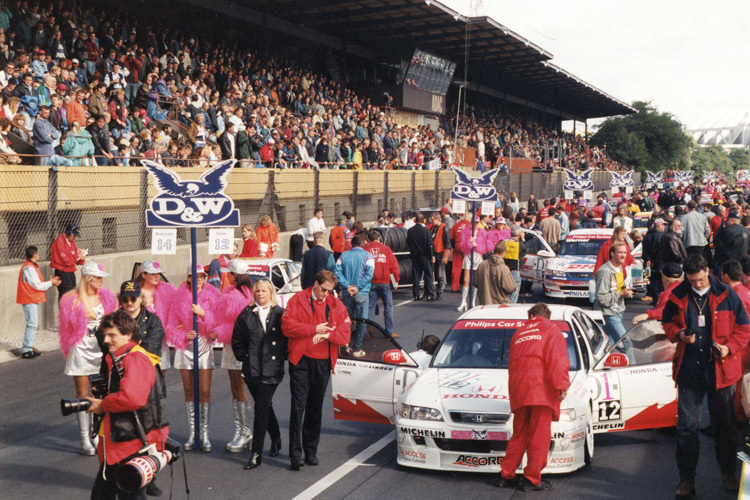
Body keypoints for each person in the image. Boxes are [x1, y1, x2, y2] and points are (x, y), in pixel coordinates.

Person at [662, 254, 750, 498]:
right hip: (690, 371)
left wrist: (728, 347)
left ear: (708, 271)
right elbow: (667, 322)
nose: (698, 284)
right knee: (686, 428)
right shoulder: (678, 294)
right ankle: (686, 479)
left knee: (724, 427)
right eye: (692, 281)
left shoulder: (728, 295)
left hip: (721, 372)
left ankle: (728, 473)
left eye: (701, 279)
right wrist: (679, 334)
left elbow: (744, 330)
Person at [87, 310, 169, 500]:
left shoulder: (134, 358)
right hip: (122, 441)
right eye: (104, 334)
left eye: (112, 335)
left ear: (128, 335)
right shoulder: (122, 357)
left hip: (130, 444)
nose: (106, 339)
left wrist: (103, 404)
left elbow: (133, 398)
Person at [282, 270, 351, 470]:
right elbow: (287, 326)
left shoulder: (336, 305)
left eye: (330, 291)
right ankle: (295, 455)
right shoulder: (297, 299)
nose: (325, 294)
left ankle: (311, 451)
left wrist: (327, 336)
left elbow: (345, 335)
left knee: (315, 408)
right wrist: (314, 329)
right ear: (315, 283)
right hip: (301, 359)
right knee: (298, 407)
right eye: (323, 289)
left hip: (322, 362)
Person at [497, 303, 569, 492]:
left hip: (519, 390)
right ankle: (531, 479)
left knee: (519, 433)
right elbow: (557, 359)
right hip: (540, 391)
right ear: (548, 317)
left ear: (530, 316)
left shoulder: (518, 333)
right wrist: (561, 385)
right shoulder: (551, 329)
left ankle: (506, 475)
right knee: (539, 435)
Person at [58, 262, 117, 456]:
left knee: (99, 393)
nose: (102, 281)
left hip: (101, 350)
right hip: (81, 350)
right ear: (89, 278)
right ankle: (85, 438)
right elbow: (66, 328)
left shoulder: (106, 298)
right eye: (98, 277)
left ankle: (95, 434)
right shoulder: (72, 300)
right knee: (82, 393)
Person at [165, 264, 221, 452]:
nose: (199, 280)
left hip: (204, 346)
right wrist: (183, 336)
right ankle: (192, 432)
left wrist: (202, 313)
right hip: (185, 349)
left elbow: (218, 321)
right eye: (195, 277)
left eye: (202, 277)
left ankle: (204, 434)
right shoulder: (178, 297)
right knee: (189, 392)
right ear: (188, 278)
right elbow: (171, 327)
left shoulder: (212, 295)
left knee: (204, 392)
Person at [232, 279, 287, 469]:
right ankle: (277, 437)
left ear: (271, 293)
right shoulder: (246, 315)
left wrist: (281, 356)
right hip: (252, 369)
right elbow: (237, 340)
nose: (260, 294)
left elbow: (287, 338)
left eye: (264, 291)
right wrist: (245, 358)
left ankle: (256, 453)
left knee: (260, 409)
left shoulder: (280, 314)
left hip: (272, 370)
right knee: (264, 406)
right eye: (257, 291)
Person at [213, 259, 255, 453]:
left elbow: (239, 327)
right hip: (235, 347)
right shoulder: (241, 293)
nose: (226, 276)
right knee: (236, 389)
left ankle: (245, 432)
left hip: (238, 348)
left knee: (239, 390)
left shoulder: (237, 296)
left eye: (229, 273)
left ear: (235, 276)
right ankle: (241, 431)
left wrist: (217, 330)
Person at [17, 245, 61, 358]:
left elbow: (37, 284)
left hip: (31, 298)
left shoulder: (30, 267)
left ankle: (29, 348)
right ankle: (26, 350)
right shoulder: (30, 268)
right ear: (35, 255)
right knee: (32, 324)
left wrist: (50, 283)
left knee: (32, 324)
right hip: (29, 299)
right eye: (38, 254)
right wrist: (51, 283)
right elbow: (37, 285)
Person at [335, 233, 375, 357]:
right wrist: (357, 287)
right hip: (361, 292)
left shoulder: (343, 255)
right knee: (362, 321)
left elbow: (337, 273)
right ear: (363, 244)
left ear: (351, 244)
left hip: (347, 293)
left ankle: (345, 344)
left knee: (347, 320)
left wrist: (347, 286)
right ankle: (357, 349)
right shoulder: (368, 256)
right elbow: (369, 275)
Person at [595, 242, 635, 362]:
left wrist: (625, 292)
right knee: (627, 344)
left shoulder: (619, 268)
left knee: (605, 348)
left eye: (625, 252)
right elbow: (601, 298)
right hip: (610, 314)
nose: (623, 255)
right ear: (612, 254)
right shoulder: (605, 272)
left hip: (618, 312)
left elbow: (617, 289)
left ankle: (597, 367)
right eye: (620, 252)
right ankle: (632, 371)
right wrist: (621, 294)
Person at [135, 260, 175, 371]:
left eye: (158, 273)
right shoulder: (135, 292)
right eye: (153, 274)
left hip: (160, 340)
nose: (157, 276)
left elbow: (175, 310)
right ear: (143, 274)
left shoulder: (167, 291)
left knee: (160, 375)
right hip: (140, 341)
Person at [365, 230, 401, 339]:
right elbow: (394, 266)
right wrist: (396, 280)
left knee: (370, 308)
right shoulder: (386, 249)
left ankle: (366, 332)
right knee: (388, 307)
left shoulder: (365, 249)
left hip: (371, 282)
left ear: (368, 239)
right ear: (379, 239)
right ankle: (389, 331)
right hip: (385, 282)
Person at [50, 223, 86, 301]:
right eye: (74, 235)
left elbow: (76, 260)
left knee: (73, 295)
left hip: (70, 272)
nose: (75, 237)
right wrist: (78, 256)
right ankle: (64, 313)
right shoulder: (59, 241)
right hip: (62, 273)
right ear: (69, 232)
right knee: (65, 296)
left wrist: (82, 257)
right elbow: (67, 261)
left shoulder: (72, 242)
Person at [475, 241, 517, 305]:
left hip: (484, 302)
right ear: (503, 253)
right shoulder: (504, 268)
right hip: (500, 305)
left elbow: (475, 282)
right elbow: (510, 288)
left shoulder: (482, 264)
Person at [406, 212, 436, 301]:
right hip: (425, 256)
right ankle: (430, 294)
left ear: (415, 220)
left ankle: (416, 294)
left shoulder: (410, 231)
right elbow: (430, 244)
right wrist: (432, 255)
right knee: (428, 275)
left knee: (416, 276)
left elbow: (408, 243)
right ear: (423, 220)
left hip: (415, 256)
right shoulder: (426, 230)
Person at [642, 217, 667, 303]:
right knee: (661, 284)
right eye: (663, 225)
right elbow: (662, 251)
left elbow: (644, 250)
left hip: (650, 264)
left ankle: (655, 300)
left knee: (652, 282)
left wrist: (648, 259)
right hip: (659, 263)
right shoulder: (662, 236)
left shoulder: (647, 236)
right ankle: (659, 301)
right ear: (658, 225)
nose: (664, 227)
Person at [681, 200, 711, 266]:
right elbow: (707, 230)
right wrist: (704, 238)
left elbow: (681, 232)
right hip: (701, 244)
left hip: (689, 244)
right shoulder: (702, 217)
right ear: (696, 206)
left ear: (688, 207)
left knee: (691, 264)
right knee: (700, 263)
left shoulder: (684, 218)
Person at [430, 212, 451, 300]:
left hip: (441, 252)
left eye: (432, 219)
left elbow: (447, 243)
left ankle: (440, 291)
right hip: (435, 253)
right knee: (437, 273)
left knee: (440, 273)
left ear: (437, 219)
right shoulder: (433, 227)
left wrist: (445, 256)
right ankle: (439, 289)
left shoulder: (444, 228)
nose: (431, 221)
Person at [504, 226, 527, 304]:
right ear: (519, 234)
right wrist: (523, 239)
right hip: (514, 272)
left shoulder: (504, 242)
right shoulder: (519, 245)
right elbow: (526, 249)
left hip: (503, 271)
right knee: (513, 294)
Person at [450, 212, 471, 292]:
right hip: (467, 246)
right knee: (468, 266)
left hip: (457, 245)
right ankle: (467, 285)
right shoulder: (470, 225)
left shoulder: (456, 224)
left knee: (456, 267)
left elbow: (451, 236)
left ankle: (454, 287)